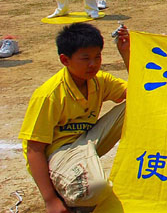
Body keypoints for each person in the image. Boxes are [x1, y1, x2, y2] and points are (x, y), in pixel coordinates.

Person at [19, 22, 130, 212]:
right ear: (65, 60)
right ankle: (67, 196)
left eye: (97, 56)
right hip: (58, 152)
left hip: (86, 140)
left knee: (134, 105)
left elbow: (141, 90)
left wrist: (126, 53)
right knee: (97, 188)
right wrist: (50, 200)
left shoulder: (99, 80)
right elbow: (34, 149)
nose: (93, 64)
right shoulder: (49, 95)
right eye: (85, 58)